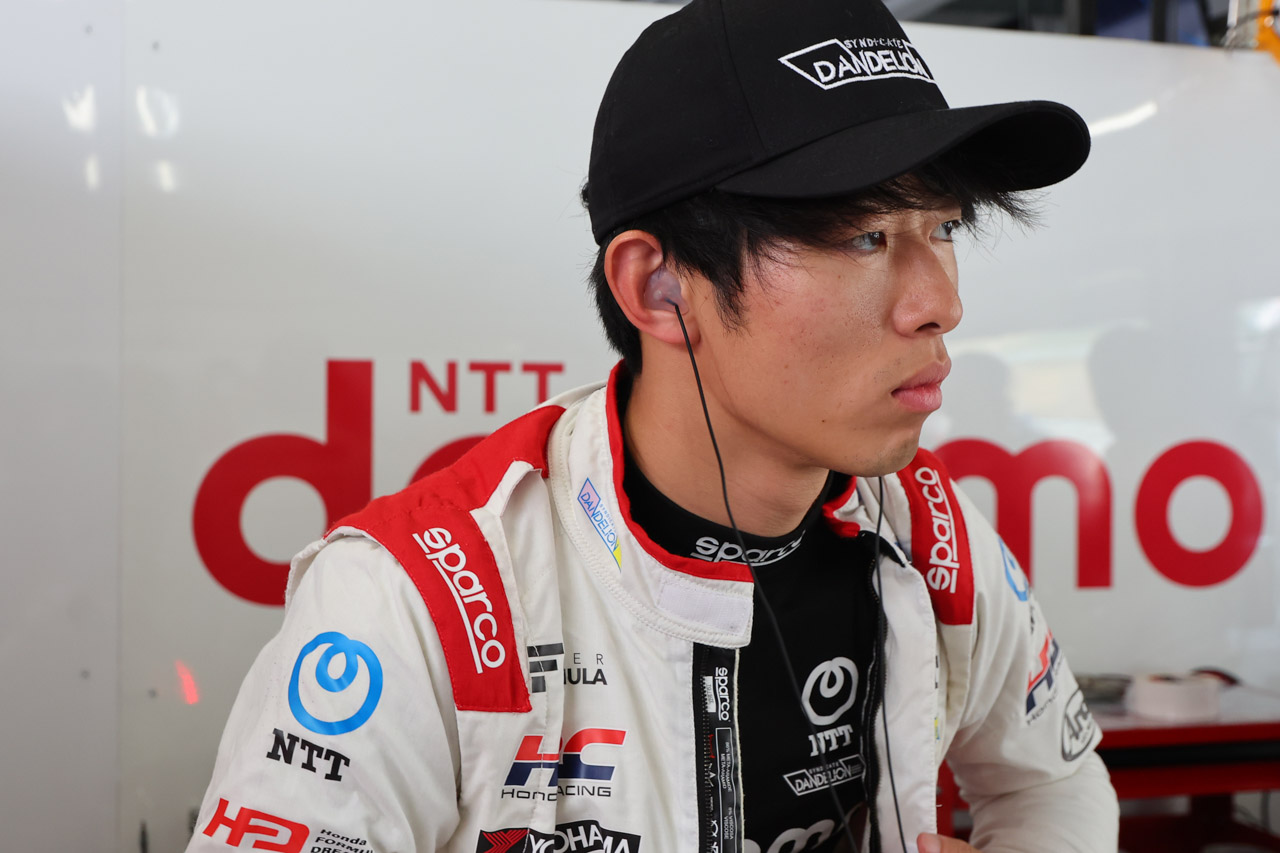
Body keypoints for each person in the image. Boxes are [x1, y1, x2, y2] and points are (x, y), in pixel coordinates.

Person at [186, 0, 1119, 851]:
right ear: (659, 288)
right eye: (866, 236)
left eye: (945, 227)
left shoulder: (924, 526)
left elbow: (1057, 781)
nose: (940, 302)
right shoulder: (414, 602)